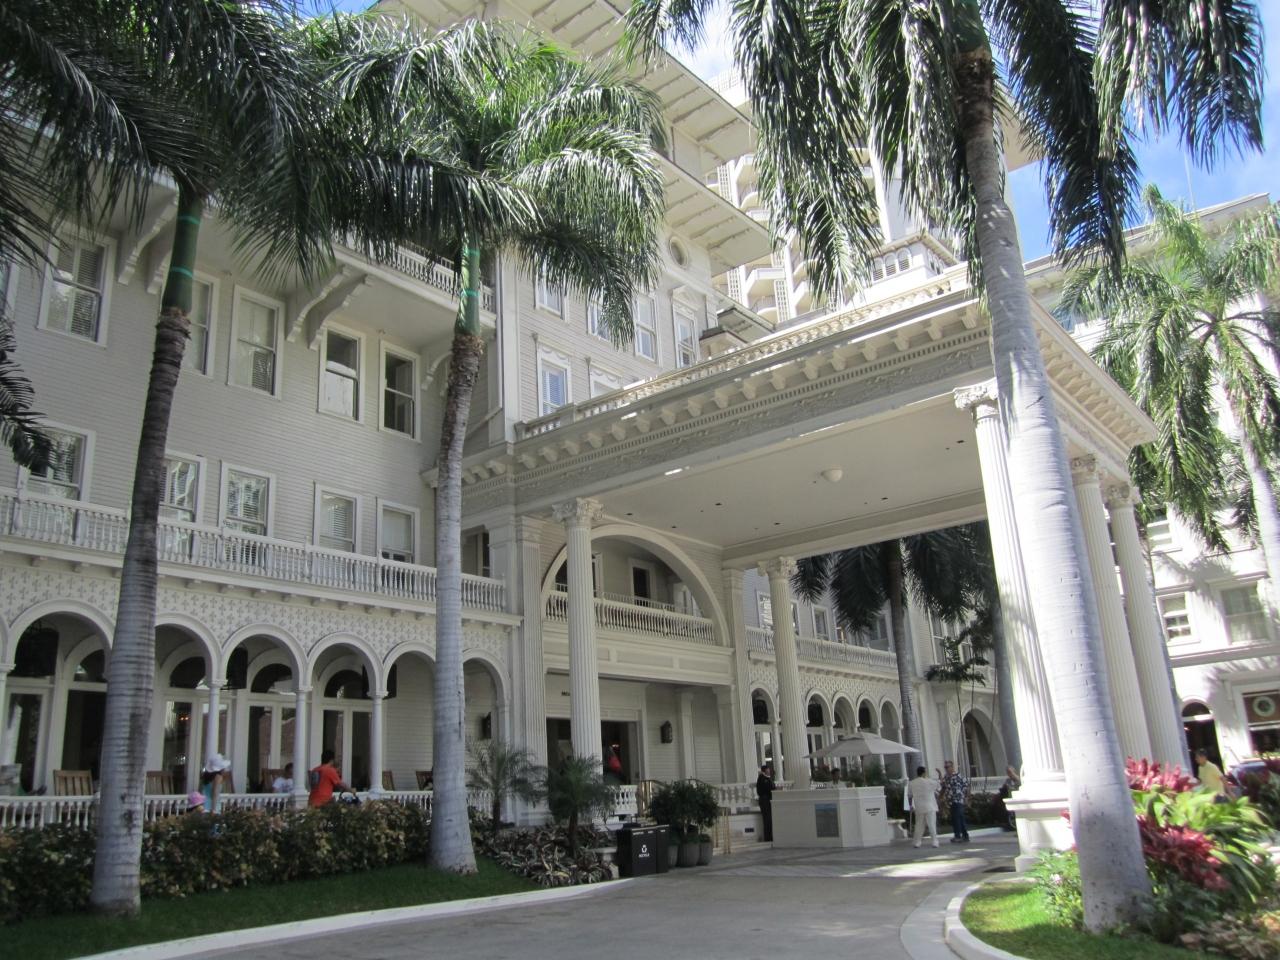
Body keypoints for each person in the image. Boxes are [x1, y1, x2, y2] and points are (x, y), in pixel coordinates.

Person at [907, 766, 941, 848]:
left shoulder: (911, 783)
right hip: (930, 806)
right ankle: (934, 842)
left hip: (919, 807)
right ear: (924, 773)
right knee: (931, 825)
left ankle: (917, 842)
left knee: (919, 825)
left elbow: (909, 796)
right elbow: (939, 783)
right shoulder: (929, 781)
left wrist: (910, 805)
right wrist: (939, 773)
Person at [940, 760, 970, 843]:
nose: (946, 769)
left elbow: (966, 786)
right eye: (945, 767)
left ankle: (958, 836)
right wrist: (941, 797)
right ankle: (965, 835)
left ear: (952, 767)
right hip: (951, 800)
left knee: (957, 817)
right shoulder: (946, 777)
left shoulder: (958, 776)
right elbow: (943, 787)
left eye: (948, 767)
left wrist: (967, 798)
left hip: (958, 799)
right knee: (958, 818)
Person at [756, 762, 776, 842]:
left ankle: (770, 836)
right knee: (767, 820)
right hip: (765, 801)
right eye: (768, 769)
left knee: (769, 819)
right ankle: (768, 838)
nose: (769, 770)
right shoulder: (762, 778)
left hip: (768, 800)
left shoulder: (767, 778)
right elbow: (767, 789)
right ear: (765, 770)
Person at [998, 765, 1021, 831]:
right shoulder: (1008, 780)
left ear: (1014, 771)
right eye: (1008, 772)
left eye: (1010, 772)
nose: (1009, 774)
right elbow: (1004, 787)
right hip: (1010, 798)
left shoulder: (1018, 779)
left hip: (1018, 798)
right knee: (1011, 813)